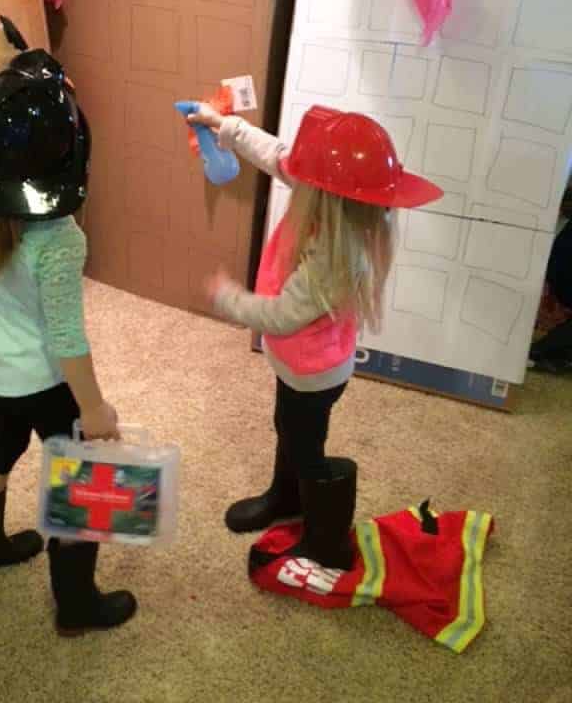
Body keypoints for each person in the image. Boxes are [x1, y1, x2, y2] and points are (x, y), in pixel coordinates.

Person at [188, 104, 443, 570]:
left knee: (306, 450)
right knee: (288, 429)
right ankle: (285, 498)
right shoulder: (327, 195)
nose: (292, 176)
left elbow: (283, 316)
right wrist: (223, 126)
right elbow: (275, 154)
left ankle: (326, 542)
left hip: (314, 374)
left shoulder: (333, 252)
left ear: (323, 192)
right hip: (299, 366)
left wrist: (228, 298)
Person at [0, 17, 136, 635]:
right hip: (43, 379)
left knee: (3, 444)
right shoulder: (58, 240)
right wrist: (95, 409)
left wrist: (19, 72)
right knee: (79, 477)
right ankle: (78, 607)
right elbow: (67, 339)